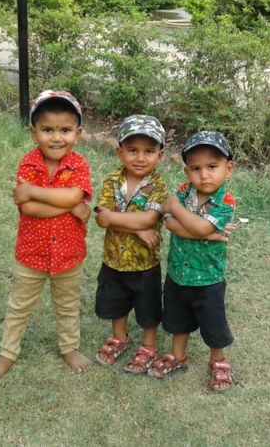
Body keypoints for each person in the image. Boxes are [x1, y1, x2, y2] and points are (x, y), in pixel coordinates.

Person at [0, 90, 93, 379]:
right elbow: (30, 208)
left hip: (68, 254)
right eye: (47, 130)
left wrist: (33, 191)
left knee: (67, 305)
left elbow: (70, 195)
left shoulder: (79, 164)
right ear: (34, 133)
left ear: (78, 134)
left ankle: (69, 347)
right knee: (19, 306)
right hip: (31, 254)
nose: (56, 137)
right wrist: (72, 207)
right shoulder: (29, 163)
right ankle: (7, 353)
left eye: (65, 130)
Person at [149, 131, 237, 392]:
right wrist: (208, 235)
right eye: (196, 168)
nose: (204, 175)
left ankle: (218, 360)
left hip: (208, 278)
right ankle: (178, 356)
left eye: (212, 166)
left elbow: (195, 225)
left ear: (228, 168)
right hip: (178, 273)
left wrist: (176, 210)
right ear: (187, 171)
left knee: (213, 323)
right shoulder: (183, 191)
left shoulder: (224, 201)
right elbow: (170, 224)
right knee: (178, 319)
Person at [93, 115, 168, 373]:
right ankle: (119, 338)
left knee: (148, 308)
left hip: (145, 262)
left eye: (149, 151)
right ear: (120, 152)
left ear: (160, 155)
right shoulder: (112, 180)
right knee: (117, 302)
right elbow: (101, 219)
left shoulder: (158, 185)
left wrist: (126, 221)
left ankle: (149, 346)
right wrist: (138, 230)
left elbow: (150, 218)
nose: (140, 157)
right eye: (133, 150)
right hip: (113, 259)